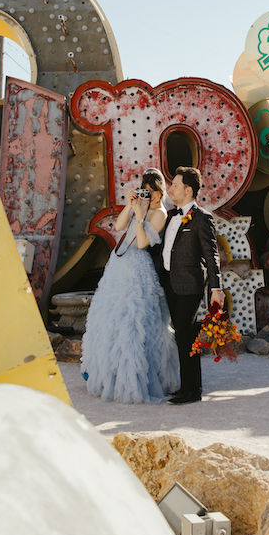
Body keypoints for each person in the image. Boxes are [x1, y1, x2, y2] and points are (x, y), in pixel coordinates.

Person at [80, 169, 180, 403]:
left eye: (156, 190)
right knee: (111, 317)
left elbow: (143, 242)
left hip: (138, 268)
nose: (152, 195)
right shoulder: (142, 207)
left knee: (135, 320)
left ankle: (135, 377)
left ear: (161, 190)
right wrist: (130, 205)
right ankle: (107, 372)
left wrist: (140, 216)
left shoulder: (161, 213)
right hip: (118, 265)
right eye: (148, 190)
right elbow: (118, 227)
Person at [157, 166, 226, 405]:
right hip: (170, 283)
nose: (170, 189)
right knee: (182, 336)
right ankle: (186, 386)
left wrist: (216, 288)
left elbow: (211, 255)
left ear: (188, 189)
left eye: (175, 185)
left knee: (187, 335)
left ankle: (193, 390)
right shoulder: (172, 216)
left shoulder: (201, 218)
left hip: (190, 285)